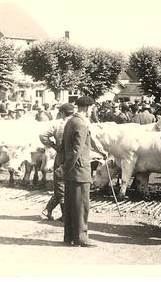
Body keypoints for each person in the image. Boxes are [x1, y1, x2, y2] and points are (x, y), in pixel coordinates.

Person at [59, 96, 107, 247]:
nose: (92, 110)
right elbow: (76, 151)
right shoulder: (82, 124)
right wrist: (66, 167)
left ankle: (69, 237)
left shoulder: (71, 121)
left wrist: (64, 167)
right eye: (92, 108)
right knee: (81, 205)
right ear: (87, 108)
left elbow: (64, 146)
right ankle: (81, 237)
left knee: (71, 204)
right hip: (79, 170)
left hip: (72, 171)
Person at [39, 103, 75, 221]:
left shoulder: (57, 124)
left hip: (61, 156)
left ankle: (50, 211)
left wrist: (53, 145)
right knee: (68, 185)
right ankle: (61, 214)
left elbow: (43, 135)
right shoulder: (77, 123)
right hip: (74, 157)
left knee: (60, 185)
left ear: (62, 113)